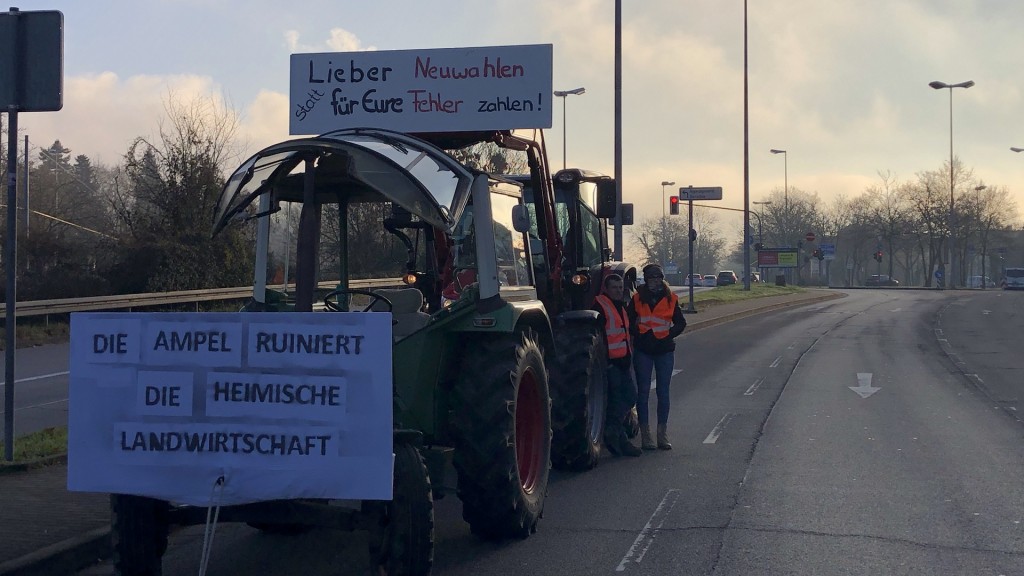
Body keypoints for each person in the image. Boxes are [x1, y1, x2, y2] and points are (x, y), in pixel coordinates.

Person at [628, 263, 687, 450]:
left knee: (663, 392)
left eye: (658, 278)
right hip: (643, 350)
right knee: (643, 393)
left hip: (664, 350)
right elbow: (628, 322)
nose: (656, 281)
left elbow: (680, 322)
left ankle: (662, 434)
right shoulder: (637, 299)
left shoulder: (670, 298)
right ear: (646, 280)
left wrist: (668, 334)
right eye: (652, 278)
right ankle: (646, 435)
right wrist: (638, 332)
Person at [592, 273, 642, 457]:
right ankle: (616, 437)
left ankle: (615, 433)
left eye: (621, 287)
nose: (618, 291)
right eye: (614, 287)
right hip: (611, 363)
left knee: (629, 397)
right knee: (616, 401)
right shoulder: (600, 306)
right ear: (606, 288)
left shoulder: (621, 307)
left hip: (623, 361)